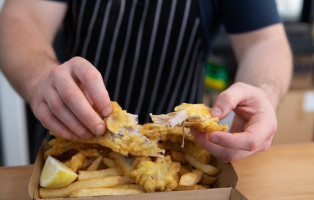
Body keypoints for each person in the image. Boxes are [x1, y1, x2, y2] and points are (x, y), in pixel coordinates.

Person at [0, 0, 292, 162]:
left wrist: (263, 92)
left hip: (177, 151)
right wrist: (40, 79)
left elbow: (265, 41)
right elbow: (21, 17)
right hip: (74, 141)